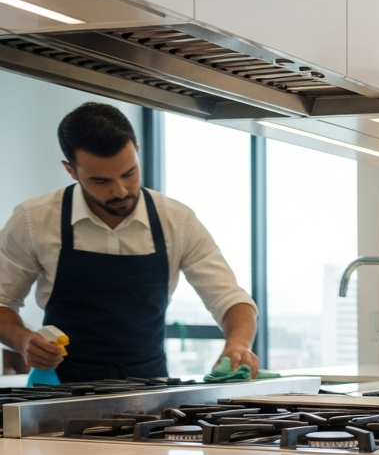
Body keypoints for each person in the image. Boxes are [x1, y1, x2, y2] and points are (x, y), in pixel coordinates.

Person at [0, 102, 259, 382]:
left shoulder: (178, 221)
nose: (120, 191)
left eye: (129, 173)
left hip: (149, 393)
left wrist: (238, 344)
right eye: (100, 180)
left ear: (136, 151)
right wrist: (25, 341)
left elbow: (230, 299)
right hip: (60, 392)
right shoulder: (34, 219)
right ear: (71, 170)